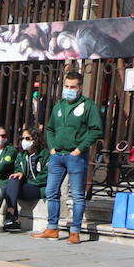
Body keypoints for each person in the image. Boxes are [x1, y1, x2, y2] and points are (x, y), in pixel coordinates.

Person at [34, 71, 103, 245]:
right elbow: (50, 129)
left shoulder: (88, 106)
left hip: (75, 156)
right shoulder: (59, 106)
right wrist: (51, 148)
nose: (69, 90)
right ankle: (52, 228)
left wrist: (80, 149)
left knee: (78, 195)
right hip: (58, 156)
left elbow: (96, 130)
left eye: (72, 87)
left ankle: (75, 231)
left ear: (79, 88)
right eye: (66, 86)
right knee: (51, 192)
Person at [3, 127, 48, 231]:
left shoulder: (45, 154)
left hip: (38, 187)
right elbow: (18, 168)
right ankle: (11, 213)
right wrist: (20, 173)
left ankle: (11, 217)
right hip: (26, 187)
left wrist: (29, 182)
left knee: (10, 189)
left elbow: (45, 176)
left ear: (35, 139)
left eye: (27, 138)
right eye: (22, 138)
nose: (24, 141)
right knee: (13, 180)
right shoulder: (21, 155)